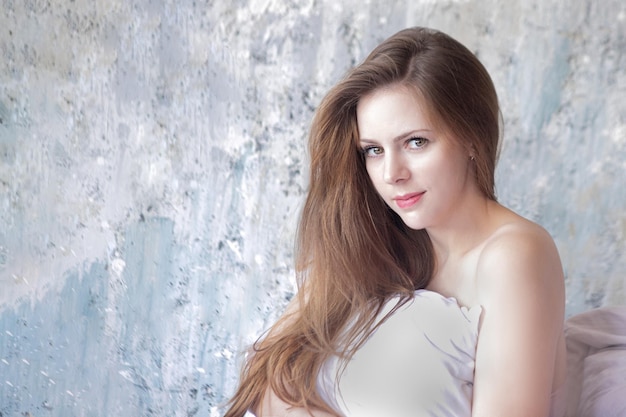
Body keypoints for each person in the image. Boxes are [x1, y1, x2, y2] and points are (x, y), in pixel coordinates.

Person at [224, 26, 567, 417]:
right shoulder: (377, 241)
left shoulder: (514, 254)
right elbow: (265, 369)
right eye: (372, 150)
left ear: (472, 137)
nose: (391, 173)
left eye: (415, 142)